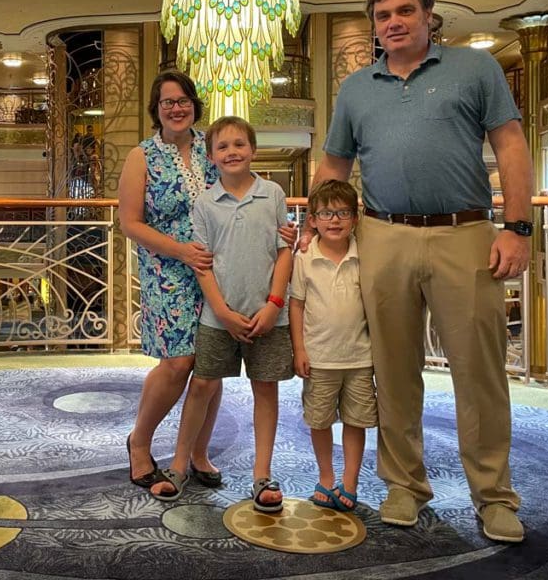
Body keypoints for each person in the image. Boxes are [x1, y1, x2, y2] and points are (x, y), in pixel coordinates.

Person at [306, 0, 532, 543]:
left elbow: (509, 143)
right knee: (392, 370)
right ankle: (404, 484)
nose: (394, 23)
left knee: (478, 373)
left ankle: (494, 496)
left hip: (466, 233)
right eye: (383, 17)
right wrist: (315, 228)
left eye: (404, 12)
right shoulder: (357, 88)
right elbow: (334, 166)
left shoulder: (475, 70)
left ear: (429, 15)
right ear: (375, 26)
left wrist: (519, 228)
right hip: (383, 237)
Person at [148, 116, 293, 510]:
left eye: (239, 145)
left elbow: (284, 252)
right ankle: (179, 464)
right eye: (223, 147)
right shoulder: (205, 203)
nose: (232, 152)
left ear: (253, 150)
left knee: (266, 390)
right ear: (211, 157)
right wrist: (223, 312)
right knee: (201, 386)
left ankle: (262, 474)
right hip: (217, 317)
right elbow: (203, 264)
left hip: (269, 316)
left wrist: (274, 303)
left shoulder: (274, 194)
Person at [118, 70, 219, 489]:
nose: (176, 108)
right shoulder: (142, 156)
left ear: (194, 105)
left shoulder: (211, 150)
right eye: (167, 102)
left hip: (215, 269)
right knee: (179, 362)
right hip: (167, 270)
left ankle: (198, 450)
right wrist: (180, 250)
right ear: (156, 110)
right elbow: (130, 223)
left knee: (213, 363)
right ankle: (139, 442)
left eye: (183, 101)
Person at [289, 179, 376, 512]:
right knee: (319, 420)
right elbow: (296, 304)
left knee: (356, 421)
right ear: (312, 219)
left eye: (343, 213)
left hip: (359, 358)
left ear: (355, 218)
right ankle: (326, 477)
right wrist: (299, 349)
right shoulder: (305, 257)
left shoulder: (363, 254)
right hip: (320, 357)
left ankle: (350, 482)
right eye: (326, 213)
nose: (335, 220)